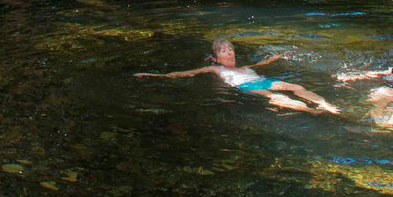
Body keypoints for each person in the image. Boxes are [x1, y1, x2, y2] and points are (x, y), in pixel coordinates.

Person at [137, 38, 341, 114]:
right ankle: (309, 110)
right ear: (216, 58)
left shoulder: (244, 66)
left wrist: (276, 57)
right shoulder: (215, 70)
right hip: (247, 87)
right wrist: (156, 76)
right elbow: (185, 73)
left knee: (296, 87)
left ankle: (326, 106)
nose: (229, 52)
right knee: (276, 98)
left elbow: (261, 64)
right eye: (224, 51)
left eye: (231, 49)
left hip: (261, 80)